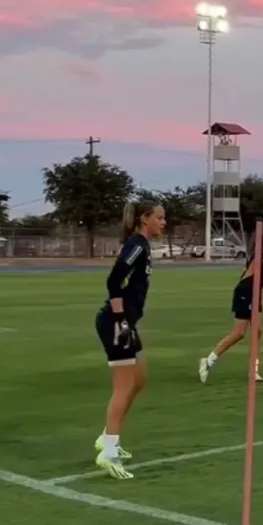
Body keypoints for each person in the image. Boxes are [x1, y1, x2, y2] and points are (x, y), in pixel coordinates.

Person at [94, 199, 166, 479]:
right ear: (144, 219)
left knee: (139, 378)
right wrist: (121, 318)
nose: (164, 222)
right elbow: (114, 281)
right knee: (123, 386)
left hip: (125, 322)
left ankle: (106, 437)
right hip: (116, 322)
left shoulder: (143, 245)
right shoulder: (136, 245)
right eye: (159, 217)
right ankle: (109, 452)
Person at [198, 222, 263, 384]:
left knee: (257, 332)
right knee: (239, 333)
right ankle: (208, 360)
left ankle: (253, 371)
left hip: (254, 293)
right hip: (246, 292)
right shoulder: (261, 251)